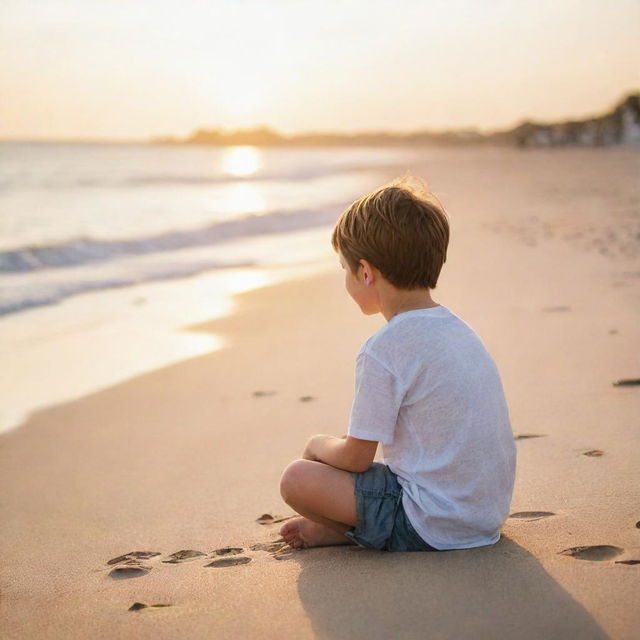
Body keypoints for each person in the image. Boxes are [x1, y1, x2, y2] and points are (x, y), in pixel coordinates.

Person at [279, 175, 517, 552]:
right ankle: (350, 528)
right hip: (484, 515)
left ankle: (349, 529)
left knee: (297, 478)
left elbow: (356, 458)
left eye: (344, 268)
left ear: (366, 271)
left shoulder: (384, 348)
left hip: (429, 522)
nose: (346, 278)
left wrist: (317, 444)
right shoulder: (460, 330)